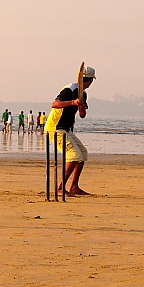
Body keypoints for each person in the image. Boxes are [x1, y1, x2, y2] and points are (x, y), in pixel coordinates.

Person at [44, 65, 96, 196]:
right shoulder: (70, 89)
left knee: (82, 153)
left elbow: (82, 115)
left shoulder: (83, 93)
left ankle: (74, 186)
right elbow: (55, 104)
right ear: (90, 80)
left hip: (66, 129)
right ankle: (60, 188)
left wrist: (82, 108)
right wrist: (73, 102)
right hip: (55, 128)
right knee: (74, 156)